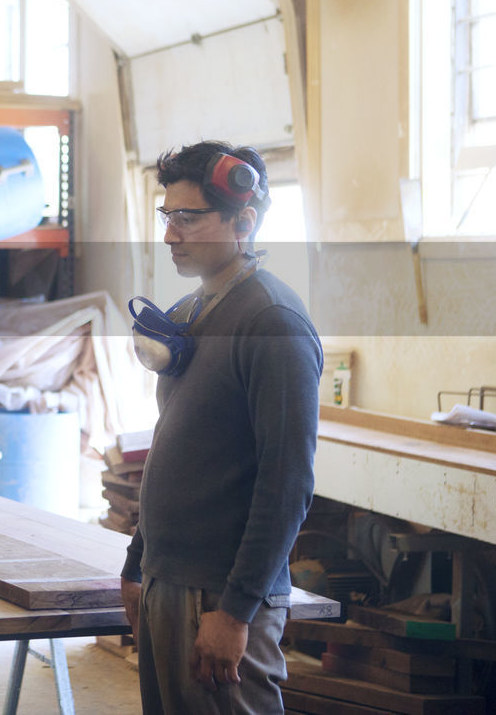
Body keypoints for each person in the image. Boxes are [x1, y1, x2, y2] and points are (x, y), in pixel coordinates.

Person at [122, 141, 321, 715]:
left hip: (219, 595)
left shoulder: (272, 322)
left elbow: (287, 484)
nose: (170, 235)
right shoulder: (189, 313)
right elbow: (171, 452)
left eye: (188, 218)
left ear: (244, 221)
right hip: (169, 582)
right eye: (167, 217)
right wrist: (138, 565)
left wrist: (235, 612)